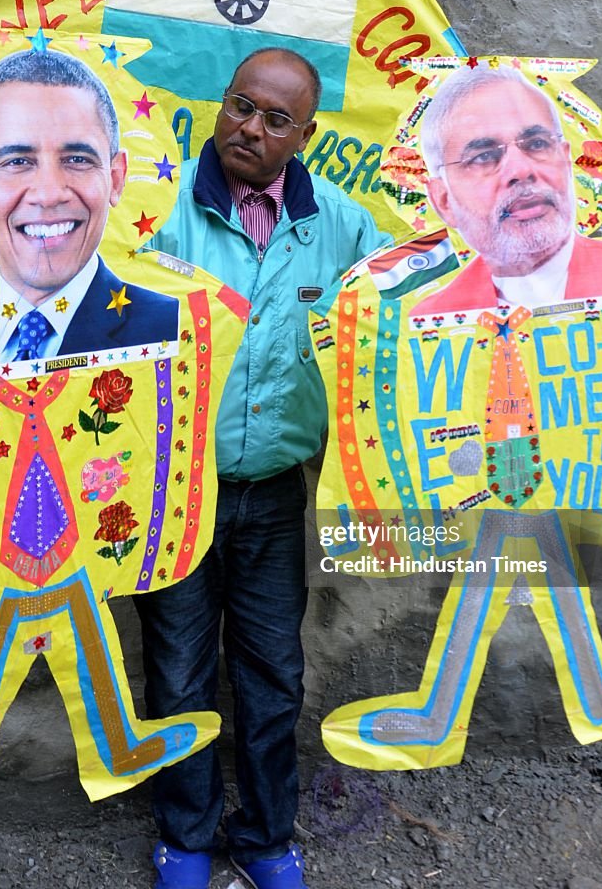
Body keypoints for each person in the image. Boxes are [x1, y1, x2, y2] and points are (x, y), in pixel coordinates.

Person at [134, 48, 390, 889]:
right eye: (242, 105)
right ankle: (188, 837)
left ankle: (268, 836)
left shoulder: (342, 225)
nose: (251, 127)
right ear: (223, 105)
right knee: (178, 673)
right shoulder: (152, 209)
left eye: (277, 119)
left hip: (276, 490)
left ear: (306, 136)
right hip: (170, 487)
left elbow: (412, 298)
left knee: (274, 673)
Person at [0, 49, 178, 375]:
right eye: (17, 162)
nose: (49, 194)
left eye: (77, 159)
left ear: (116, 178)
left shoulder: (173, 336)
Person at [413, 65, 602, 313]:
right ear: (444, 200)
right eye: (484, 156)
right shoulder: (430, 321)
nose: (520, 170)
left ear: (566, 162)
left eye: (537, 144)